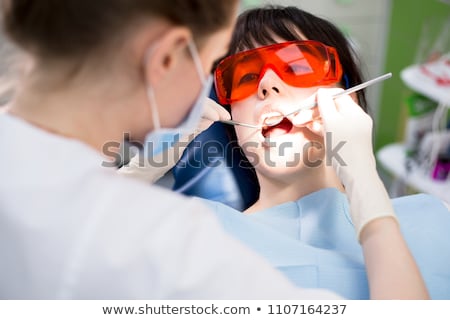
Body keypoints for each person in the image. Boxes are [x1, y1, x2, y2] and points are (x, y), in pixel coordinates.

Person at [0, 0, 345, 299]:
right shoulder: (177, 242)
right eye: (222, 69)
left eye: (298, 67)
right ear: (165, 57)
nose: (269, 85)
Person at [120, 6, 450, 300]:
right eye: (246, 75)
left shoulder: (436, 216)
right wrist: (148, 164)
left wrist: (364, 181)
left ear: (347, 97)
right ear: (231, 117)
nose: (267, 84)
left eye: (297, 64)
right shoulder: (192, 231)